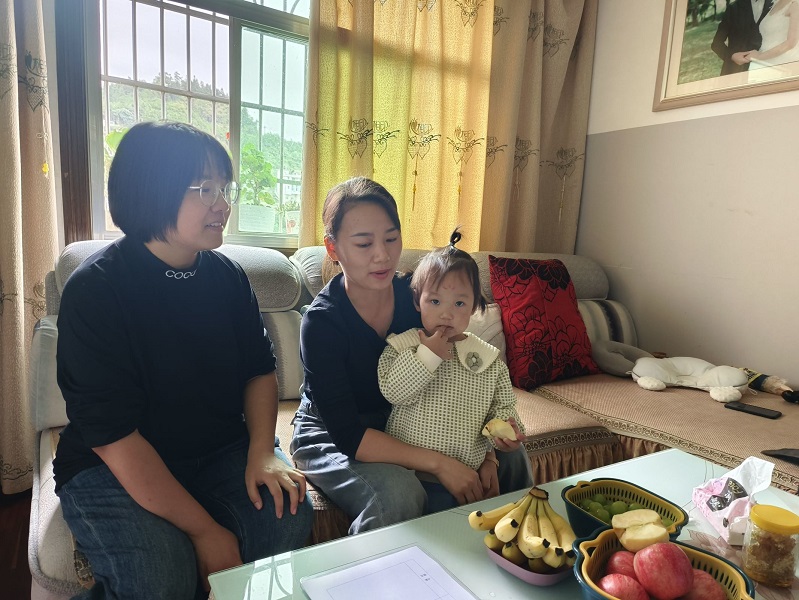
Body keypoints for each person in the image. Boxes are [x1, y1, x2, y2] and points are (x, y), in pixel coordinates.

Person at [53, 121, 314, 600]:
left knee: (288, 513)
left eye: (225, 188)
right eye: (205, 189)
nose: (223, 204)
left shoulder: (228, 278)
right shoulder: (95, 291)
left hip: (216, 451)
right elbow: (112, 435)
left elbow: (259, 371)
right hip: (109, 465)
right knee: (161, 573)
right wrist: (204, 530)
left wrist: (262, 451)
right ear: (150, 190)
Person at [290, 176, 533, 535]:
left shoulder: (417, 295)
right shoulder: (322, 323)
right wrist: (442, 464)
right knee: (399, 492)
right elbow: (349, 435)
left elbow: (463, 378)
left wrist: (488, 453)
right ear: (333, 248)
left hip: (402, 420)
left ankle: (515, 550)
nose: (383, 255)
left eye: (391, 238)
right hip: (331, 432)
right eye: (364, 243)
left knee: (512, 459)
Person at [378, 228, 527, 513]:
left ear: (473, 308)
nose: (446, 314)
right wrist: (427, 356)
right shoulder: (404, 345)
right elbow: (393, 391)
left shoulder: (487, 358)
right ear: (417, 301)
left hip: (468, 474)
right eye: (435, 301)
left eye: (459, 303)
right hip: (413, 474)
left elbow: (502, 406)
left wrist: (504, 437)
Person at [711, 0, 773, 75]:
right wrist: (732, 56)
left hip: (767, 68)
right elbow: (716, 43)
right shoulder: (733, 8)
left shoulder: (776, 4)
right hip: (736, 70)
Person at [746, 0, 799, 68]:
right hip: (763, 61)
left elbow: (791, 43)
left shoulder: (795, 5)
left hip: (782, 64)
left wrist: (759, 56)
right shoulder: (774, 3)